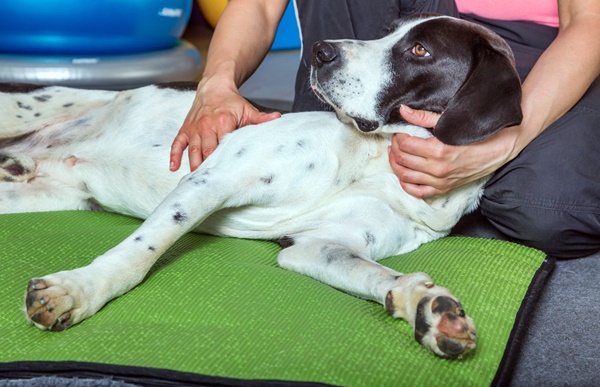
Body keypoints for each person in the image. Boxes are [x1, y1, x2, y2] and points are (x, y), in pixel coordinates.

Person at [170, 0, 600, 259]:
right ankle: (344, 131)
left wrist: (503, 143)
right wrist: (216, 85)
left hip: (546, 45)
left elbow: (588, 23)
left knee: (546, 209)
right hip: (417, 21)